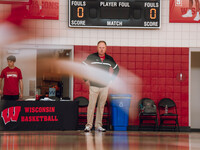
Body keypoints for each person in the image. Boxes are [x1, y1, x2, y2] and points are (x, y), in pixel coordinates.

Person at [82, 41, 119, 132]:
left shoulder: (109, 59)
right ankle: (88, 126)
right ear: (97, 48)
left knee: (101, 106)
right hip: (94, 86)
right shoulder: (91, 57)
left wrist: (111, 80)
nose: (101, 49)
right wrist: (85, 79)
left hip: (104, 86)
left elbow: (116, 69)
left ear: (106, 48)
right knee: (91, 106)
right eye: (100, 47)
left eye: (103, 47)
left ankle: (98, 126)